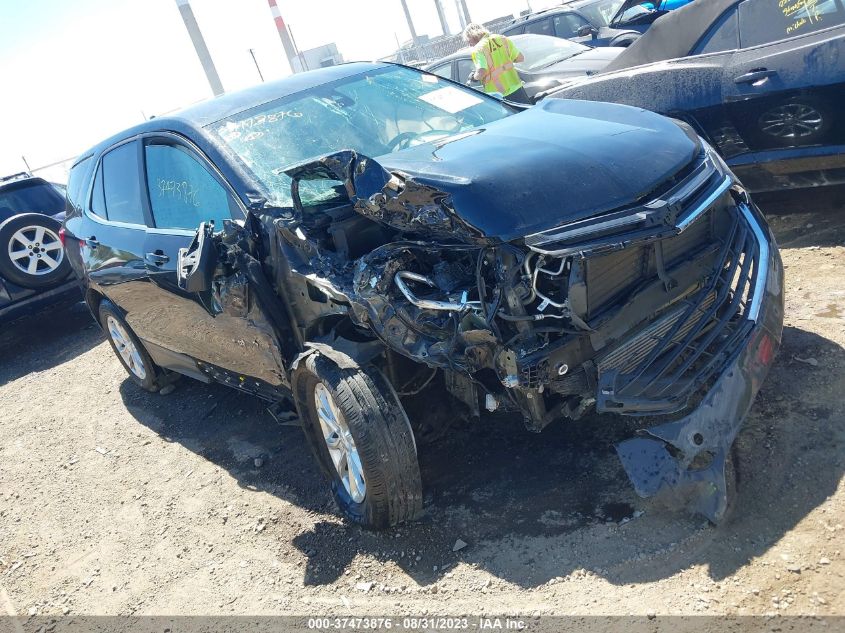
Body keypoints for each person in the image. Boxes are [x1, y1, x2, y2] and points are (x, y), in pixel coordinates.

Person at [462, 23, 529, 104]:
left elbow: (481, 71)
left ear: (473, 36)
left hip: (500, 96)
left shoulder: (478, 49)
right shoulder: (501, 38)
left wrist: (474, 78)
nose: (469, 45)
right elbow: (520, 58)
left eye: (469, 41)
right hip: (518, 88)